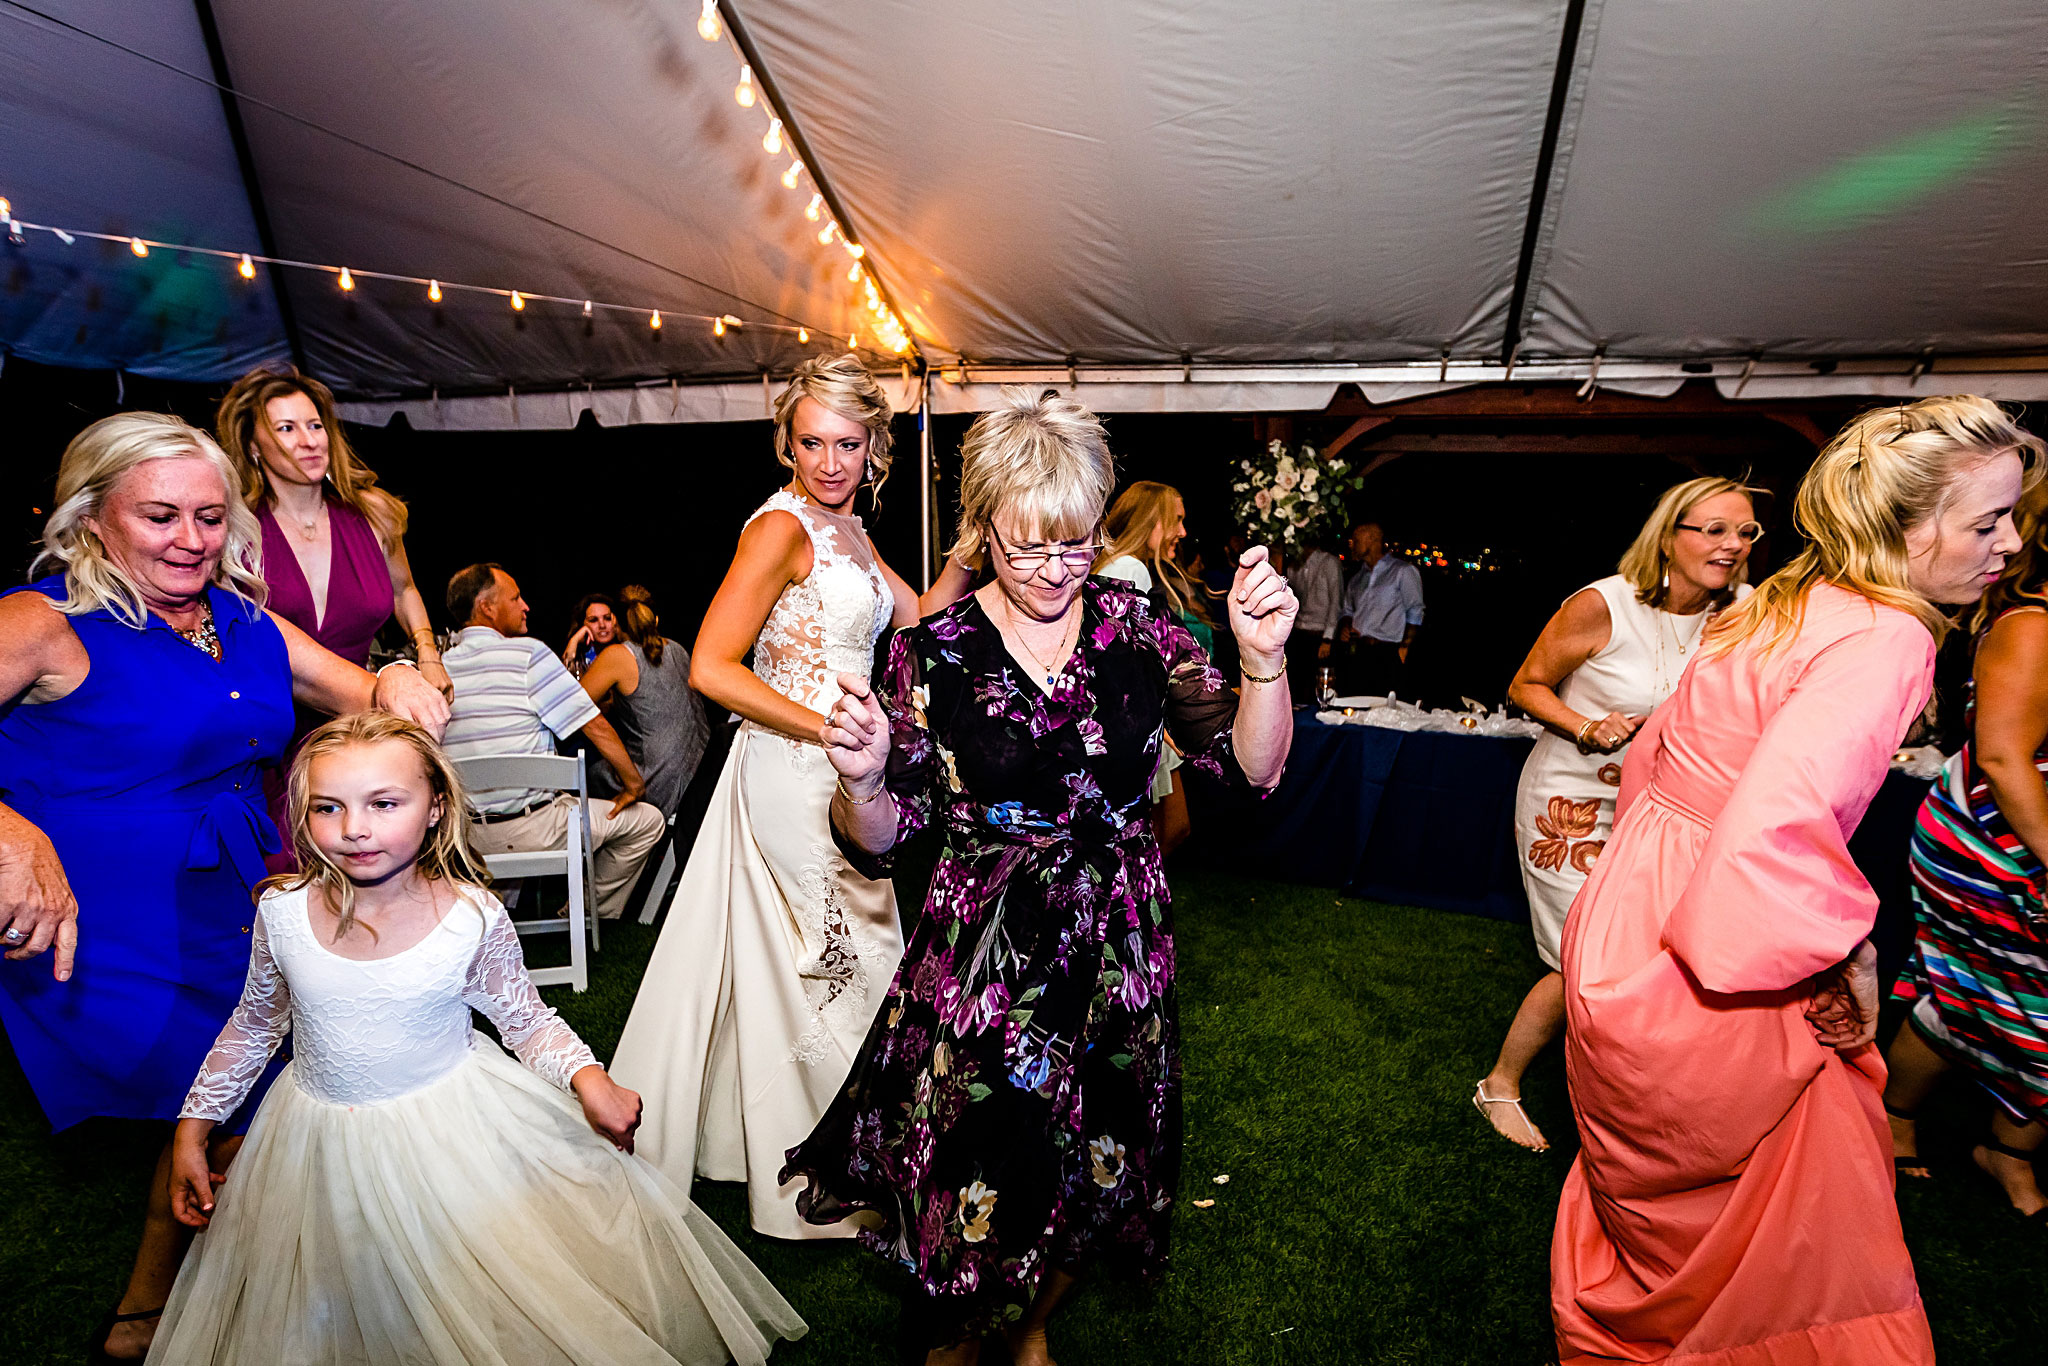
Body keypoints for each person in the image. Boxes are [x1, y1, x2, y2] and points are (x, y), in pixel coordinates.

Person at [781, 386, 1297, 1365]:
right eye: (1028, 546)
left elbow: (1252, 769)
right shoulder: (928, 654)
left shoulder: (1138, 630)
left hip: (1115, 961)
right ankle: (964, 1340)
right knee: (973, 1191)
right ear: (980, 526)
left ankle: (1030, 1322)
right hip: (986, 971)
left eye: (1075, 542)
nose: (1056, 569)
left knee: (1094, 1172)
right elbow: (883, 836)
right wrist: (857, 778)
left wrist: (1263, 663)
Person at [1552, 395, 2039, 1365]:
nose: (2010, 541)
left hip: (1629, 918)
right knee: (1796, 1224)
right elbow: (1771, 831)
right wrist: (1839, 963)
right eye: (1985, 520)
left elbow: (1658, 758)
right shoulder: (1887, 636)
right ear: (1904, 528)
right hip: (1724, 945)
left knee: (1666, 1214)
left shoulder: (1787, 596)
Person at [147, 713, 805, 1364]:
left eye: (383, 803)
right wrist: (194, 1127)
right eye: (328, 807)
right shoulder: (282, 913)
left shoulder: (470, 917)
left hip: (450, 1133)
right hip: (314, 1138)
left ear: (435, 808)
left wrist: (589, 1077)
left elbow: (526, 1019)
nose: (353, 829)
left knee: (459, 1281)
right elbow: (257, 1021)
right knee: (339, 1282)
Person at [0, 412, 448, 1363]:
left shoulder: (241, 619)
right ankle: (274, 1300)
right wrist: (10, 828)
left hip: (238, 903)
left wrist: (404, 677)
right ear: (90, 517)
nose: (192, 540)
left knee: (247, 1099)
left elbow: (364, 694)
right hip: (98, 926)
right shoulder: (42, 621)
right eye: (160, 516)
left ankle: (154, 1312)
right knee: (235, 1101)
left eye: (210, 517)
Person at [608, 353, 918, 1238]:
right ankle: (838, 1175)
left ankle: (805, 1151)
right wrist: (822, 727)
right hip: (794, 769)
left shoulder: (849, 532)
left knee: (824, 958)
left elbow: (927, 612)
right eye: (811, 443)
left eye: (848, 444)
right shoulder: (779, 529)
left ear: (873, 447)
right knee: (845, 956)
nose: (828, 463)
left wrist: (985, 550)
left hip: (849, 770)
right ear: (786, 440)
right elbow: (710, 666)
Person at [1477, 477, 1759, 1150]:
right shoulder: (1604, 604)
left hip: (1667, 812)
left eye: (1746, 532)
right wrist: (1583, 725)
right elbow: (1525, 685)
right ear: (1671, 535)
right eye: (1715, 529)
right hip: (1573, 802)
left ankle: (1636, 1093)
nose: (1732, 545)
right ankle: (1501, 1084)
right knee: (1581, 958)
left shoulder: (1746, 610)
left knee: (1641, 955)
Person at [1885, 481, 2048, 1217]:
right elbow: (2006, 758)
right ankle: (1894, 1117)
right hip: (1998, 841)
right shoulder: (2033, 625)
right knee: (1968, 992)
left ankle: (2007, 1150)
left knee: (2024, 1005)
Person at [439, 564, 665, 919]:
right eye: (515, 598)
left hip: (464, 838)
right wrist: (634, 784)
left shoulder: (439, 668)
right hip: (536, 831)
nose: (526, 606)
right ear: (487, 607)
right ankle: (589, 914)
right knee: (647, 821)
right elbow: (595, 726)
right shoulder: (527, 654)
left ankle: (499, 911)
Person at [215, 365, 451, 697]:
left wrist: (428, 654)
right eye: (286, 429)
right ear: (254, 445)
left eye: (315, 426)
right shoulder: (233, 530)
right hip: (269, 722)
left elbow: (404, 590)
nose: (309, 441)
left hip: (358, 718)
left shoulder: (373, 513)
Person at [1096, 481, 1217, 856]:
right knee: (1167, 830)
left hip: (1124, 718)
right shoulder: (1131, 569)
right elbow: (1125, 661)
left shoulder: (1113, 564)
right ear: (1153, 520)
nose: (1182, 532)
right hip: (1137, 721)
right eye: (1176, 520)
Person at [579, 583, 710, 820]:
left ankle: (608, 848)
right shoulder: (677, 648)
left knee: (591, 771)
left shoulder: (618, 656)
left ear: (617, 621)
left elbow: (571, 708)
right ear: (655, 619)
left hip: (660, 781)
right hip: (703, 772)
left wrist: (572, 645)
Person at [1335, 521, 1423, 696]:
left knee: (1385, 711)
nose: (1352, 544)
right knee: (1357, 704)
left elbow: (1415, 610)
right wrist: (1345, 625)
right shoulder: (1357, 578)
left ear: (1372, 539)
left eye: (1356, 540)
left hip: (1389, 653)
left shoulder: (1402, 571)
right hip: (1359, 653)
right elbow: (1347, 611)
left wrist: (1405, 646)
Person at [1285, 533, 1344, 705]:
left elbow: (1336, 603)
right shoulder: (1294, 565)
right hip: (1297, 633)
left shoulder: (1329, 562)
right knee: (1296, 685)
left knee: (1319, 687)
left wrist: (1328, 638)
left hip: (1320, 636)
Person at [562, 591, 619, 679]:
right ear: (583, 625)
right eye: (593, 620)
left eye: (607, 618)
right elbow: (563, 683)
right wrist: (574, 641)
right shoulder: (582, 656)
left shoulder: (627, 650)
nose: (602, 625)